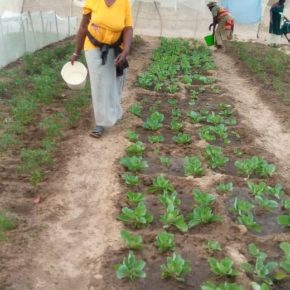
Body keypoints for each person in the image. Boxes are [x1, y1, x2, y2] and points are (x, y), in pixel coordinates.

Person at [70, 0, 133, 138]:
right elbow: (83, 27)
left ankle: (114, 111)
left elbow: (128, 28)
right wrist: (76, 52)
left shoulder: (124, 3)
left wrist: (126, 50)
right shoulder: (93, 1)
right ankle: (100, 123)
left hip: (116, 47)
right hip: (94, 46)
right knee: (99, 83)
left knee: (115, 81)